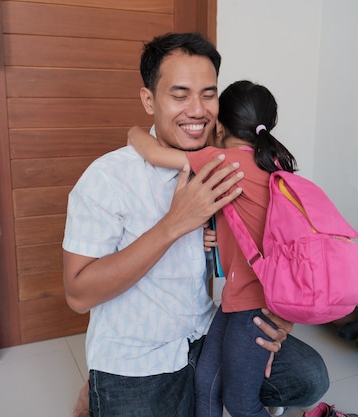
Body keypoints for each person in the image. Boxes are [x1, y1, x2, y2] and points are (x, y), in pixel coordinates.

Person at [62, 33, 329, 417]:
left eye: (208, 94)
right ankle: (97, 392)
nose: (198, 110)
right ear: (149, 100)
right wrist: (174, 225)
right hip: (138, 357)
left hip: (204, 333)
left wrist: (279, 317)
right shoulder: (107, 179)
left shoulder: (225, 167)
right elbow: (78, 294)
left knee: (309, 376)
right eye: (180, 94)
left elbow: (274, 251)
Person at [128, 80, 308, 417]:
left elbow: (152, 151)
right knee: (206, 385)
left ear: (220, 126)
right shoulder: (275, 162)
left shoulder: (222, 160)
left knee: (241, 403)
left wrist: (134, 131)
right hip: (242, 298)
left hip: (252, 306)